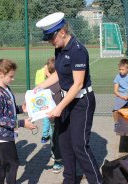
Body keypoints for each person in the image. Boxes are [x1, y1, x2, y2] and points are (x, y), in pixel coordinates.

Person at [36, 12, 103, 184]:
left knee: (80, 146)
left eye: (52, 38)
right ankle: (70, 179)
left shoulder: (78, 50)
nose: (51, 42)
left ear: (62, 32)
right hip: (66, 100)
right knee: (64, 143)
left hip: (81, 102)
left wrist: (59, 107)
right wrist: (40, 86)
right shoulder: (59, 48)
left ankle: (96, 180)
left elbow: (78, 84)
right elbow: (59, 72)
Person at [0, 59, 37, 184]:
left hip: (7, 133)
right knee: (13, 163)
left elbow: (8, 109)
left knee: (3, 162)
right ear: (1, 74)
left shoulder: (6, 88)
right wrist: (21, 123)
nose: (13, 78)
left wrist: (21, 109)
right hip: (2, 134)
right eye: (11, 76)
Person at [45, 57, 64, 174]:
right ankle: (57, 158)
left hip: (55, 117)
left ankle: (57, 159)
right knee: (56, 137)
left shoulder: (49, 85)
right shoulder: (61, 83)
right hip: (56, 117)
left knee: (55, 137)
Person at [35, 64, 51, 144]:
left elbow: (37, 84)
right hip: (49, 100)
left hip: (43, 99)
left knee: (46, 119)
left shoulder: (39, 72)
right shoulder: (50, 77)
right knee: (51, 120)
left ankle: (44, 136)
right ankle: (51, 136)